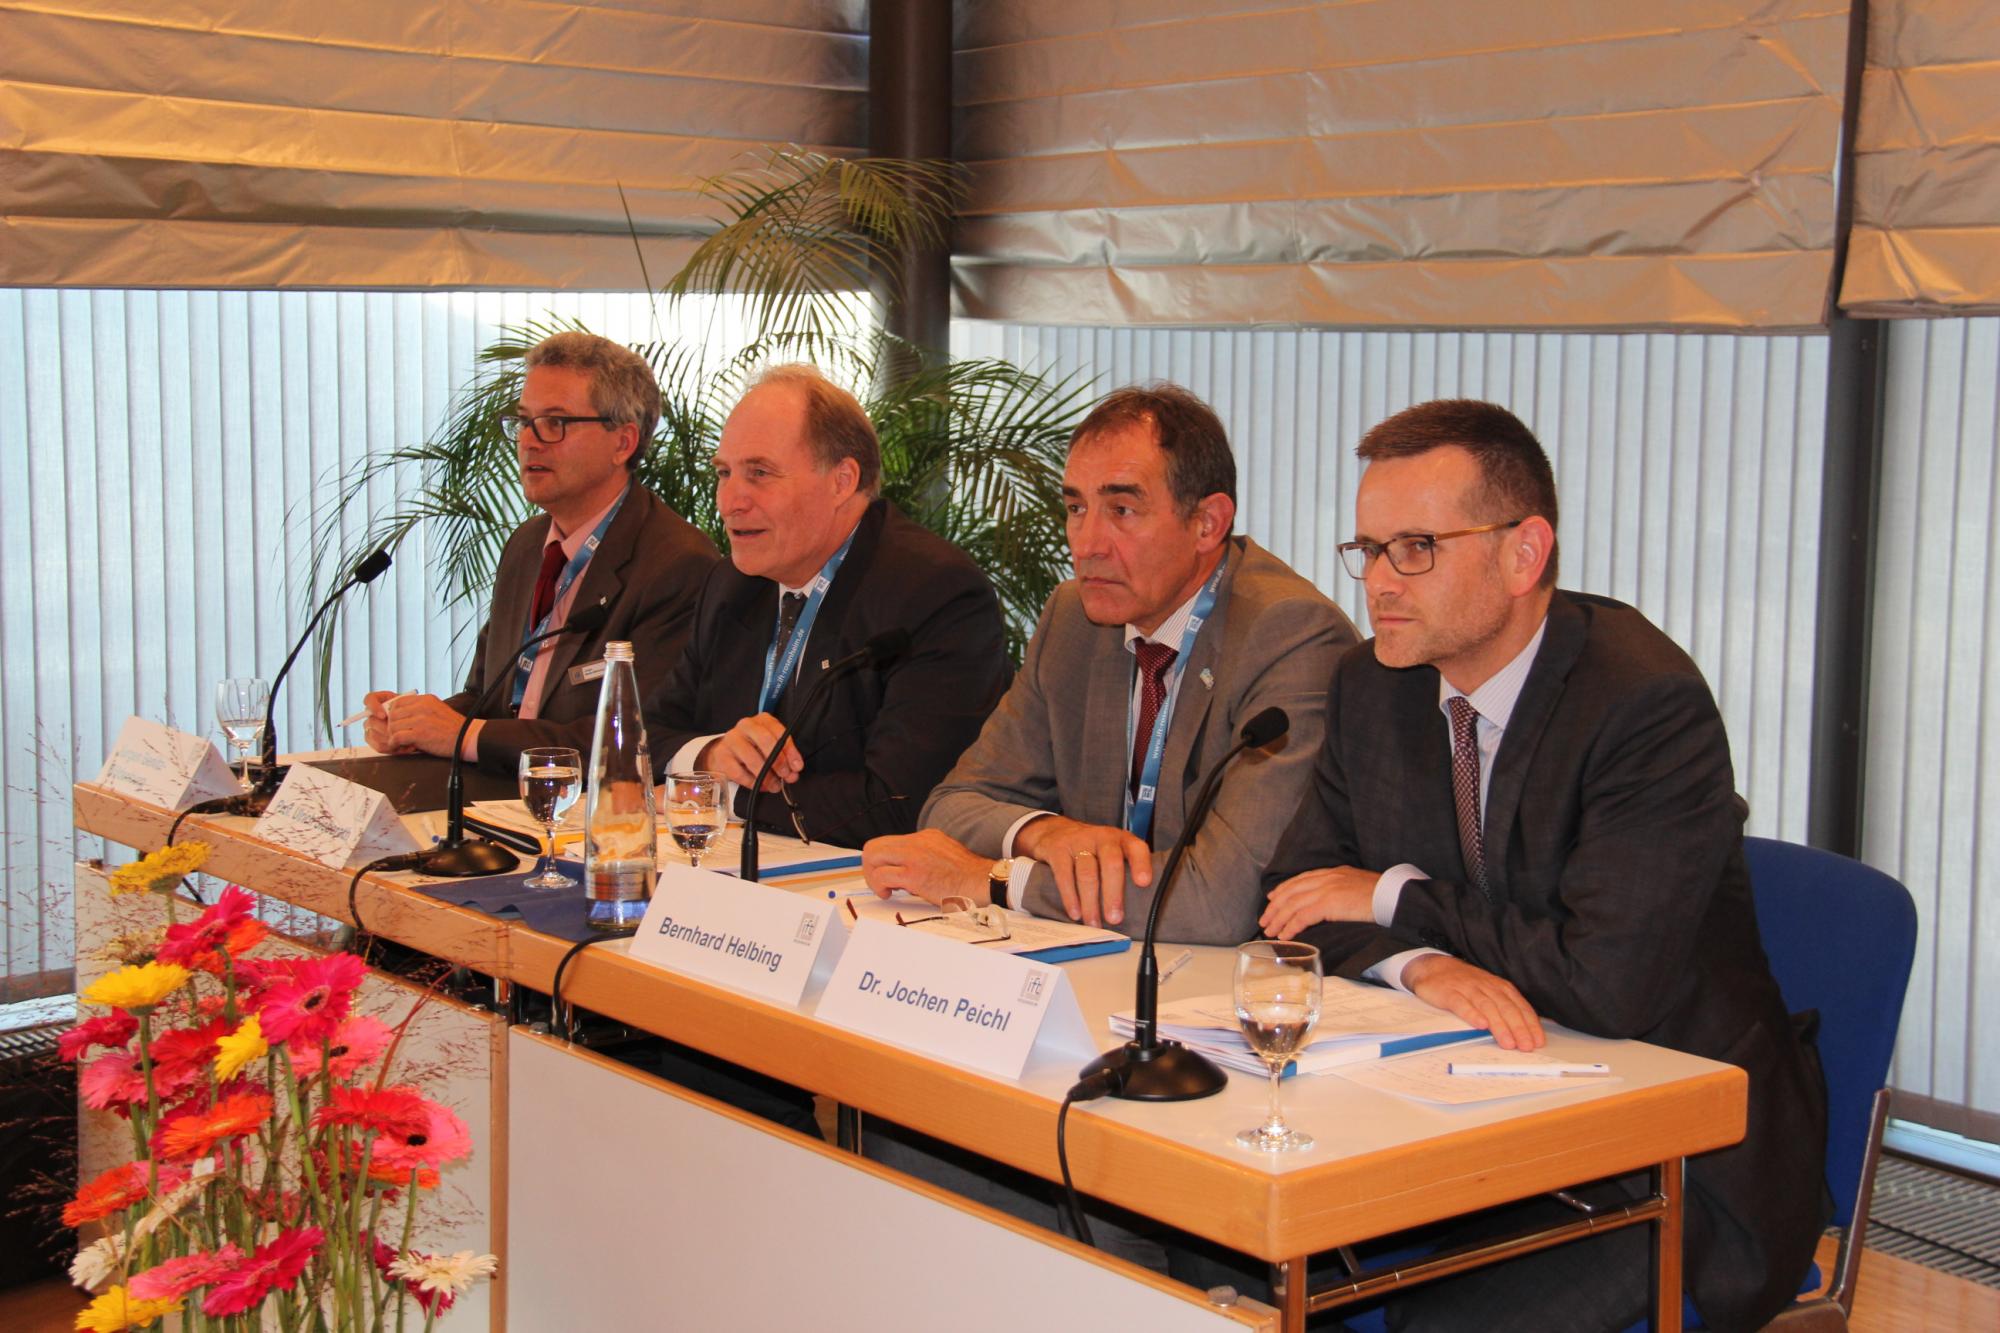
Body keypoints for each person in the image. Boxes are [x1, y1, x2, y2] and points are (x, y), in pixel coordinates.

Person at [1260, 399, 1826, 1331]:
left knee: (1431, 1323)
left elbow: (1605, 987)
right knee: (1227, 1258)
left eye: (1417, 547)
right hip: (1465, 1117)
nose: (1379, 584)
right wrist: (1425, 963)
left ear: (1524, 554)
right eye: (1367, 549)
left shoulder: (1645, 706)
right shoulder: (1376, 683)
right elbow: (1292, 900)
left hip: (1663, 1159)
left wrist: (1397, 897)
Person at [863, 382, 1357, 947]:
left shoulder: (1289, 636)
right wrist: (1045, 832)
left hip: (1230, 990)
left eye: (1122, 509)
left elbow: (1221, 905)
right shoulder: (1074, 618)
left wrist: (997, 880)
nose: (1087, 543)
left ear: (1208, 524)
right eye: (1076, 508)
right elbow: (951, 806)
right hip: (1098, 960)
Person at [653, 363, 1010, 847]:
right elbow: (644, 736)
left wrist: (721, 792)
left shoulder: (933, 593)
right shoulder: (732, 584)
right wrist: (712, 753)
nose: (729, 501)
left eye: (759, 473)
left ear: (842, 481)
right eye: (724, 473)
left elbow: (900, 803)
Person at [362, 331, 717, 773]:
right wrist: (412, 723)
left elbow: (634, 737)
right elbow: (488, 698)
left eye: (555, 422)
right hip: (498, 793)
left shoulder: (677, 564)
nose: (529, 440)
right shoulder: (528, 545)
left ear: (623, 442)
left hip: (591, 817)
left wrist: (460, 735)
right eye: (524, 421)